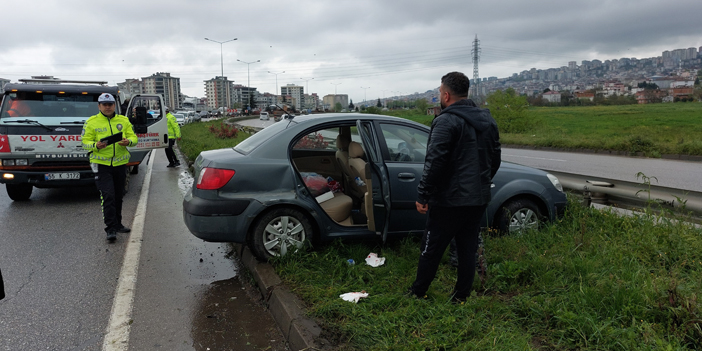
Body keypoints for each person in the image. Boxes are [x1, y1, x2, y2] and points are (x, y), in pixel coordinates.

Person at [408, 71, 501, 303]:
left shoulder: (446, 121)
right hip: (477, 199)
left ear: (446, 95)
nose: (440, 95)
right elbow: (495, 158)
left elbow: (434, 161)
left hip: (449, 200)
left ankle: (418, 292)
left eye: (440, 92)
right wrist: (481, 182)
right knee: (467, 248)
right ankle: (461, 297)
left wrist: (423, 194)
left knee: (431, 247)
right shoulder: (488, 121)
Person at [82, 93, 138, 242]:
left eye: (110, 104)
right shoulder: (91, 122)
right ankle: (110, 228)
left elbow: (134, 138)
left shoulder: (123, 120)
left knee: (119, 195)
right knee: (108, 196)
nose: (108, 107)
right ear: (99, 106)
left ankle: (118, 224)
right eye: (104, 104)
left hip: (120, 165)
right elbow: (84, 142)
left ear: (114, 105)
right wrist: (95, 145)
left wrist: (128, 142)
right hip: (102, 165)